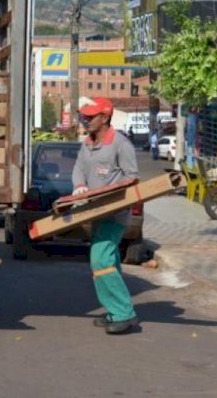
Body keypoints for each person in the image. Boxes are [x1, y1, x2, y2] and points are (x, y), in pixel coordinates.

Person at [72, 97, 140, 334]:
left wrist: (109, 192)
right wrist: (79, 185)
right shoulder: (87, 144)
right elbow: (79, 168)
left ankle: (124, 313)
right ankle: (115, 311)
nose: (85, 121)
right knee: (109, 262)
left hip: (116, 212)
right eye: (84, 116)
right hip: (96, 212)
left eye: (90, 117)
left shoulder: (120, 144)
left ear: (105, 117)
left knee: (100, 259)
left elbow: (131, 177)